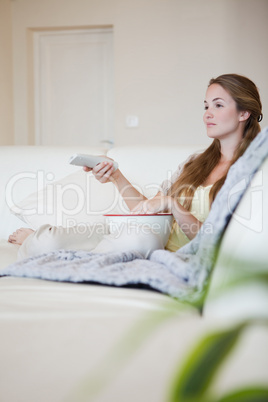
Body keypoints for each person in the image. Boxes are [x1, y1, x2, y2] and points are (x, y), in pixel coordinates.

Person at [8, 74, 263, 259]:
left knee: (135, 238)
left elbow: (214, 245)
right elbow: (147, 211)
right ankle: (44, 245)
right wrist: (116, 176)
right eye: (206, 106)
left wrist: (172, 205)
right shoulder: (194, 163)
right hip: (141, 233)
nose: (207, 113)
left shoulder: (253, 172)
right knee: (46, 242)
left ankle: (77, 258)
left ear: (244, 113)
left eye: (218, 105)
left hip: (154, 245)